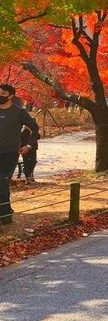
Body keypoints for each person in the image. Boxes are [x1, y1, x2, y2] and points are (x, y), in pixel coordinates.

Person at [0, 84, 39, 224]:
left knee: (2, 182)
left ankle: (5, 216)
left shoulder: (19, 112)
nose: (1, 96)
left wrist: (28, 145)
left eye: (3, 93)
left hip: (9, 154)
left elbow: (35, 129)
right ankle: (6, 211)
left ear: (11, 95)